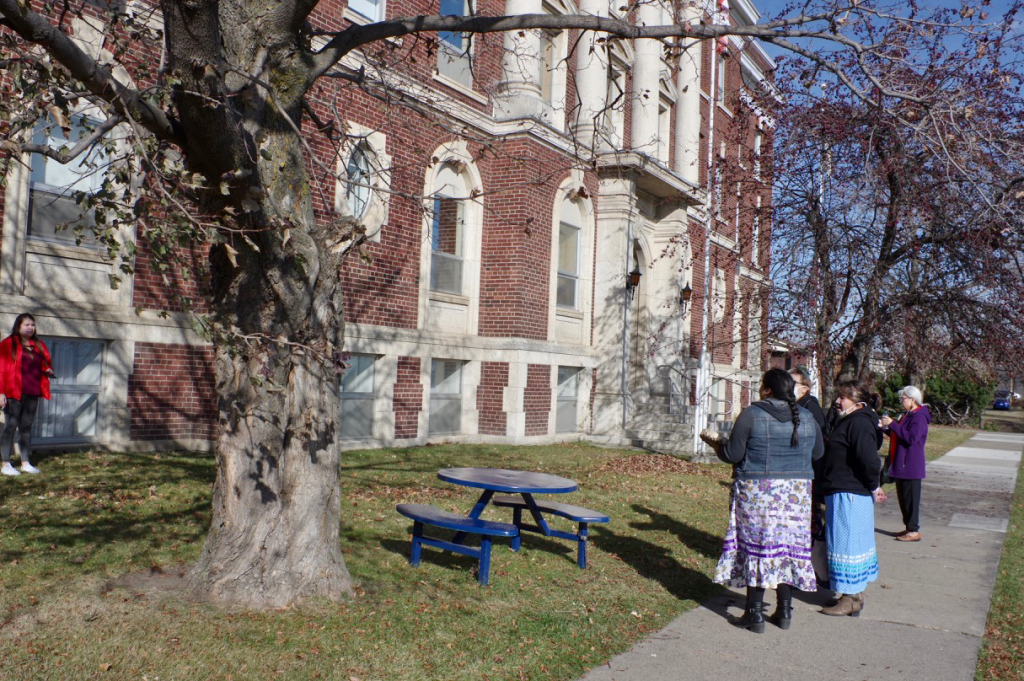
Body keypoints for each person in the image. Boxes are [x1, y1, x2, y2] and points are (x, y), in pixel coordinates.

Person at [702, 368, 824, 633]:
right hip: (796, 494)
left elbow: (733, 454)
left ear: (767, 389)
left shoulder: (751, 414)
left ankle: (754, 613)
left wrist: (718, 445)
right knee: (787, 549)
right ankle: (784, 611)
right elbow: (818, 453)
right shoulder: (807, 417)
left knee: (758, 548)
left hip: (758, 491)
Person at [819, 379, 886, 617]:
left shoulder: (859, 423)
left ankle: (851, 598)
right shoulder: (853, 420)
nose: (838, 401)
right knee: (849, 544)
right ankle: (851, 595)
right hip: (845, 491)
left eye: (843, 398)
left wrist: (873, 485)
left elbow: (869, 460)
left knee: (847, 545)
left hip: (850, 494)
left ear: (858, 403)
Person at [0, 313, 56, 476]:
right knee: (10, 426)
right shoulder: (8, 344)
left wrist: (48, 369)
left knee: (26, 428)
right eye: (27, 325)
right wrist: (1, 392)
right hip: (13, 392)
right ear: (18, 326)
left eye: (33, 325)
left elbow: (45, 363)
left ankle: (25, 463)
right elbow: (1, 369)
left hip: (32, 392)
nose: (31, 327)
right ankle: (5, 464)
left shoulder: (38, 344)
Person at [790, 366, 830, 589]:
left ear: (805, 387)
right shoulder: (797, 406)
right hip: (802, 475)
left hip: (810, 475)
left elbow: (816, 445)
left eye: (793, 383)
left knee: (810, 523)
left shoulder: (810, 408)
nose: (789, 387)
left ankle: (812, 566)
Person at [880, 386, 931, 542]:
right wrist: (885, 428)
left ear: (912, 399)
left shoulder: (919, 417)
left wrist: (893, 424)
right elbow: (898, 434)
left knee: (911, 500)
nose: (901, 402)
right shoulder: (907, 415)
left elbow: (911, 438)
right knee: (903, 499)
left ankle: (914, 530)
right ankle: (909, 528)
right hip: (901, 464)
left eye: (903, 399)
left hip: (911, 465)